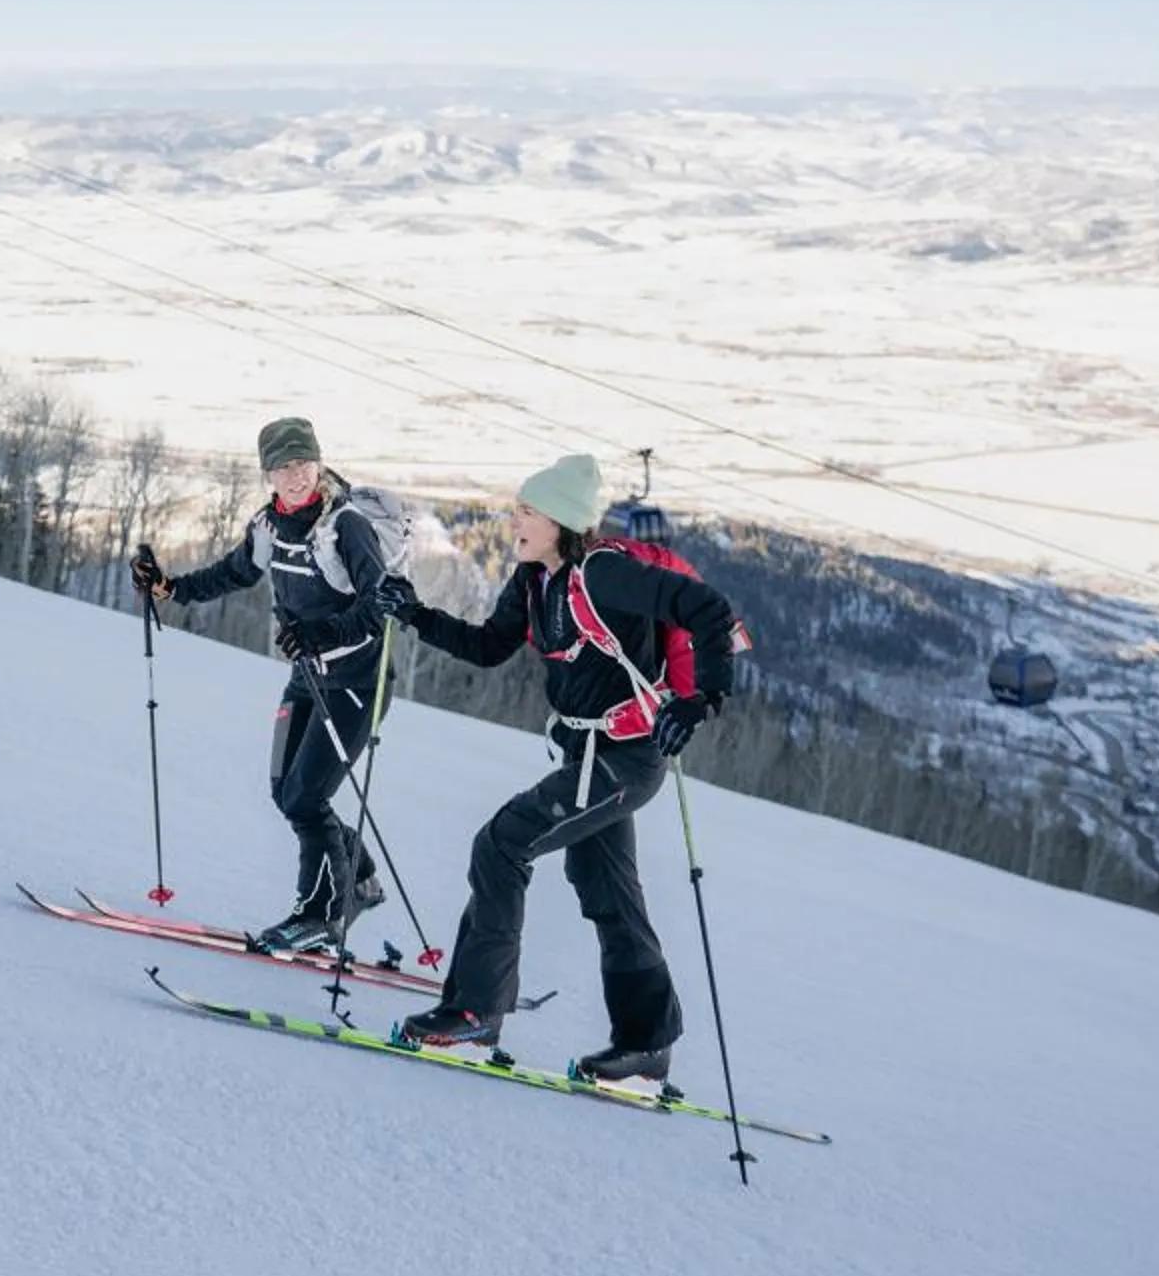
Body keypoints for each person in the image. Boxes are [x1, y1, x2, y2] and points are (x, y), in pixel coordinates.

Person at [374, 453, 739, 1085]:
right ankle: (647, 1042)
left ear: (562, 522)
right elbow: (489, 649)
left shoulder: (606, 574)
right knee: (608, 890)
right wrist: (413, 612)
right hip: (585, 754)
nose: (513, 518)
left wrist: (699, 698)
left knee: (501, 842)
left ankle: (475, 1009)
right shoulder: (533, 579)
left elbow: (707, 610)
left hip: (629, 758)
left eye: (527, 510)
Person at [131, 416, 392, 952]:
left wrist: (321, 632)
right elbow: (234, 572)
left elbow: (379, 604)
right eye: (282, 468)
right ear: (268, 475)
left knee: (304, 797)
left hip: (358, 680)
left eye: (302, 464)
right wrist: (168, 588)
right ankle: (359, 881)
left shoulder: (346, 526)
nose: (295, 476)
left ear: (318, 463)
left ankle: (319, 916)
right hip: (308, 674)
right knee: (287, 793)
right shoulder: (269, 526)